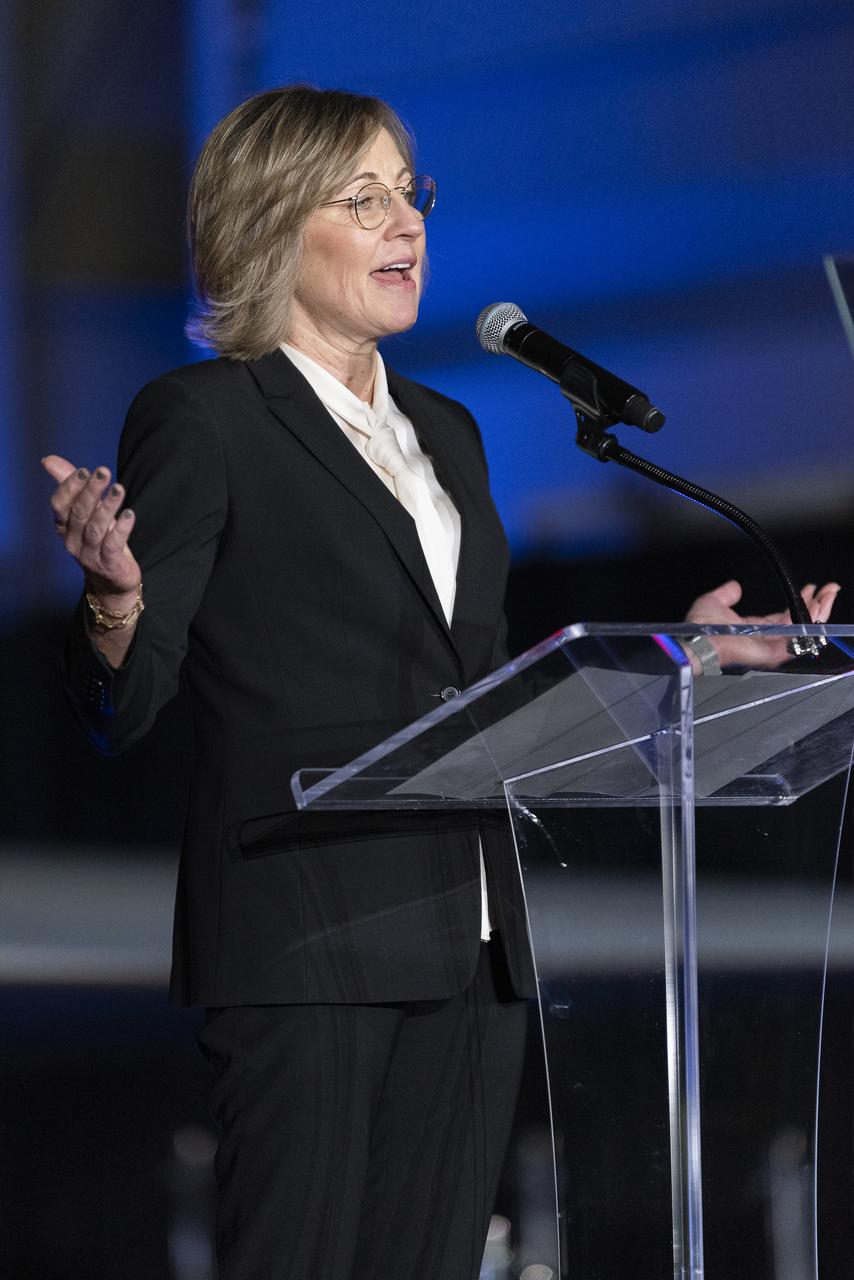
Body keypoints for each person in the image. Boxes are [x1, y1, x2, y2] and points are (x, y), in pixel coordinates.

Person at [42, 85, 839, 1280]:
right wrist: (114, 598)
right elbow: (129, 700)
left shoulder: (448, 432)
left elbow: (493, 694)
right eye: (359, 199)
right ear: (268, 225)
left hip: (473, 944)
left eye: (408, 192)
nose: (403, 222)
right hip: (307, 935)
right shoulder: (203, 418)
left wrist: (682, 657)